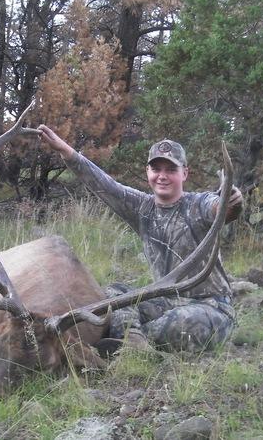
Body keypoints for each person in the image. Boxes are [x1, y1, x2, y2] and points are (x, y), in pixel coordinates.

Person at [37, 125, 243, 353]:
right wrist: (66, 151)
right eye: (156, 169)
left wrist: (231, 201)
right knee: (114, 295)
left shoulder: (199, 204)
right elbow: (104, 184)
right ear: (148, 172)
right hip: (165, 300)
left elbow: (221, 208)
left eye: (171, 169)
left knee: (179, 322)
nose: (162, 176)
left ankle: (128, 342)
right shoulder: (142, 208)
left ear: (185, 173)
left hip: (212, 306)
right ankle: (133, 341)